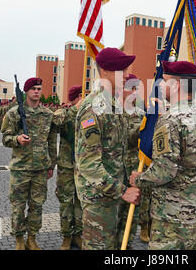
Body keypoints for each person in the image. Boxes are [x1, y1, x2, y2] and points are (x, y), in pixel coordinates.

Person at [130, 61, 196, 250]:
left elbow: (165, 171)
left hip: (174, 216)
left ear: (176, 86)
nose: (160, 85)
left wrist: (139, 179)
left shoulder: (169, 120)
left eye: (165, 80)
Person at [74, 47, 141, 250]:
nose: (127, 75)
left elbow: (118, 147)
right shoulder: (94, 108)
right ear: (105, 72)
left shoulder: (114, 105)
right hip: (99, 198)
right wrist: (122, 191)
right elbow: (88, 163)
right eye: (122, 70)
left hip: (116, 192)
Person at [1, 77, 57, 250]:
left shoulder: (48, 114)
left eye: (39, 88)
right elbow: (5, 138)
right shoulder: (14, 113)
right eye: (33, 88)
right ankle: (19, 239)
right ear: (26, 91)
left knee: (37, 206)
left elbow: (52, 142)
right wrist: (17, 139)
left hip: (40, 168)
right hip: (20, 168)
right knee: (17, 206)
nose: (37, 91)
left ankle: (32, 238)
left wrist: (51, 165)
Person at [53, 85, 84, 250]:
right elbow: (55, 122)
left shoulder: (88, 115)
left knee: (80, 202)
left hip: (82, 167)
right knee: (66, 202)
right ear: (77, 97)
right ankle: (66, 236)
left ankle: (77, 235)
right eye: (82, 96)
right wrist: (74, 110)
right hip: (66, 166)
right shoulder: (63, 112)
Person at [117, 74, 146, 248]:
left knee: (132, 213)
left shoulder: (143, 115)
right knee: (115, 213)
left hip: (135, 170)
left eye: (135, 89)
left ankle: (126, 243)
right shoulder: (112, 113)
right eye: (129, 88)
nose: (133, 92)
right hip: (115, 172)